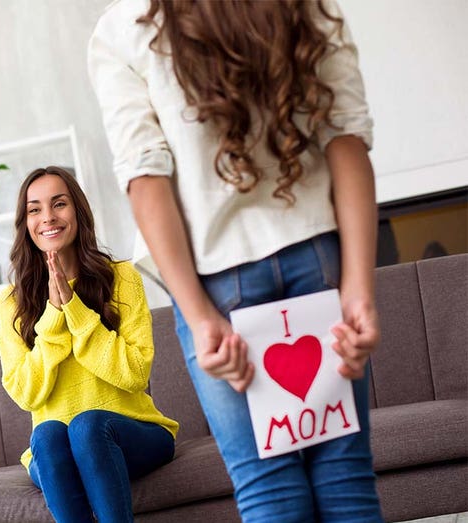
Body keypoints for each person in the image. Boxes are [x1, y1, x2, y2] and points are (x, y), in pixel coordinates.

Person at [89, 0, 382, 521]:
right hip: (319, 260)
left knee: (269, 490)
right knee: (346, 477)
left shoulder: (122, 28)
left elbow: (145, 180)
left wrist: (199, 317)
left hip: (217, 285)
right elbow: (347, 138)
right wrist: (358, 287)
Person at [0, 166, 179, 522]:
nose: (48, 217)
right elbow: (25, 393)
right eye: (35, 209)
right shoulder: (11, 302)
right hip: (55, 449)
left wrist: (75, 311)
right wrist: (53, 315)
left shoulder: (122, 278)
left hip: (133, 434)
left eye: (59, 204)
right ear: (26, 223)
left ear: (77, 211)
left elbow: (135, 374)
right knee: (47, 435)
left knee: (87, 425)